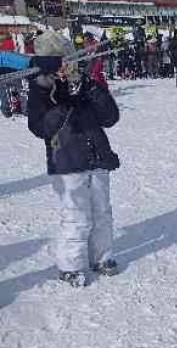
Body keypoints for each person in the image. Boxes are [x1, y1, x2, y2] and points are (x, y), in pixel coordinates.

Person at [26, 31, 122, 287]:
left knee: (102, 212)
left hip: (97, 155)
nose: (67, 67)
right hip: (67, 161)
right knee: (76, 216)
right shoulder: (41, 89)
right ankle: (71, 266)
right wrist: (61, 100)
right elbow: (40, 128)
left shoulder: (85, 81)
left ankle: (102, 257)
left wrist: (89, 88)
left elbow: (110, 117)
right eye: (62, 61)